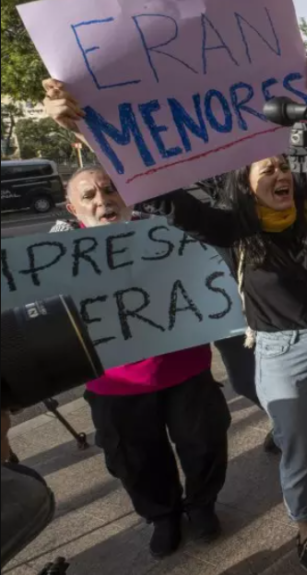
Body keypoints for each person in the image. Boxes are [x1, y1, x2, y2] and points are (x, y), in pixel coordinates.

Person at [44, 82, 307, 575]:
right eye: (267, 169)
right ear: (244, 182)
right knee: (298, 449)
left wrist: (306, 85)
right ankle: (304, 526)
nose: (280, 173)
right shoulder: (232, 227)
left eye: (282, 166)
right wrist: (94, 134)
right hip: (280, 352)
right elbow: (171, 199)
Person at [45, 162, 231, 560]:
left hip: (185, 369)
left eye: (110, 190)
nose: (103, 201)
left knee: (204, 443)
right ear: (72, 208)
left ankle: (202, 505)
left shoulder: (165, 231)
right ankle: (163, 516)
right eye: (90, 196)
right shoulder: (56, 254)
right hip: (114, 383)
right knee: (135, 459)